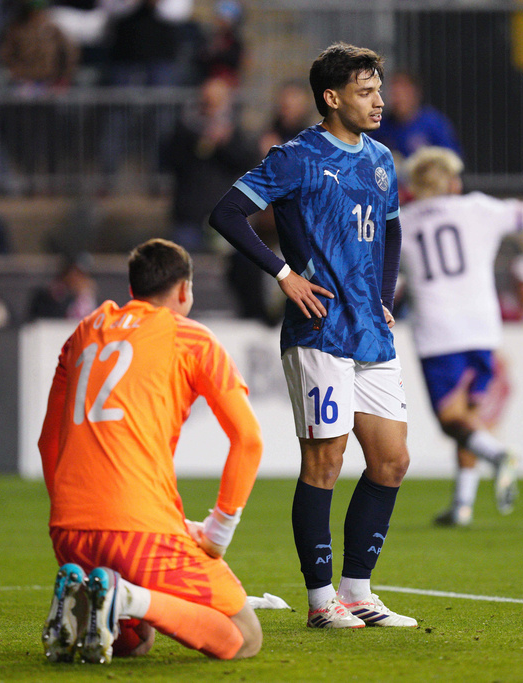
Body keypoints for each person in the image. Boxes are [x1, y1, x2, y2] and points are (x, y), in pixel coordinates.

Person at [208, 42, 416, 629]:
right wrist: (283, 274)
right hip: (320, 328)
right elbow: (226, 213)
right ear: (333, 97)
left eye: (379, 89)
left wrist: (384, 292)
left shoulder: (380, 158)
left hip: (370, 331)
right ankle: (322, 602)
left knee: (392, 460)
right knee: (326, 459)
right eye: (366, 91)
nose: (378, 101)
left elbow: (392, 231)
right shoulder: (296, 156)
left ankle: (358, 591)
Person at [38, 238, 263, 664]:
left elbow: (48, 442)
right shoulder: (191, 338)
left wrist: (77, 514)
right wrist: (217, 533)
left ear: (133, 286)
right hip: (139, 530)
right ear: (183, 291)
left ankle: (91, 595)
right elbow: (248, 438)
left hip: (69, 530)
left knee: (137, 642)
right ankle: (124, 597)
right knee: (243, 637)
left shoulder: (83, 333)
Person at [399, 147, 523, 526]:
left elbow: (386, 276)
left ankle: (497, 456)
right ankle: (462, 504)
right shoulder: (477, 208)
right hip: (481, 328)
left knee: (451, 420)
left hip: (438, 330)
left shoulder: (402, 222)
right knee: (471, 416)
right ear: (453, 182)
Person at [162, 76, 260, 252]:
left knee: (222, 270)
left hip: (222, 214)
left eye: (216, 102)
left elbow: (247, 162)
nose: (210, 107)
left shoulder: (235, 130)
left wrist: (226, 143)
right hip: (189, 214)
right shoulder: (185, 127)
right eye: (207, 101)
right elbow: (169, 160)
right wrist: (195, 140)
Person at [371, 70, 460, 161]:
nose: (398, 100)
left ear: (415, 94)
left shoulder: (433, 123)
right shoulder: (381, 125)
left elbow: (452, 159)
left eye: (403, 94)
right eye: (395, 94)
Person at [26, 253, 97, 321]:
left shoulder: (86, 297)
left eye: (83, 275)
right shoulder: (48, 295)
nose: (79, 279)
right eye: (76, 273)